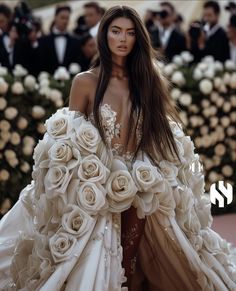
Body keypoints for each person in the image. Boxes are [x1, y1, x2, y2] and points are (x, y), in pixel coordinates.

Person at [0, 5, 236, 291]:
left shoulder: (147, 80)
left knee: (133, 249)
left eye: (130, 32)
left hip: (139, 174)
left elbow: (154, 132)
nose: (123, 39)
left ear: (138, 38)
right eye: (116, 31)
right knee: (95, 252)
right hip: (96, 177)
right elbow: (70, 141)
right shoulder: (85, 82)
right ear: (104, 35)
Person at [38, 4, 81, 74]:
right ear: (55, 17)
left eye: (67, 18)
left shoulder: (75, 40)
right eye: (62, 17)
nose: (65, 21)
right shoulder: (43, 40)